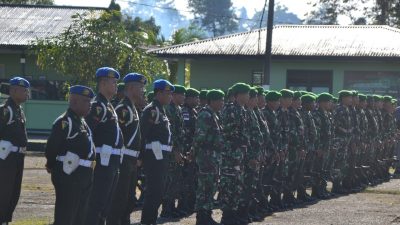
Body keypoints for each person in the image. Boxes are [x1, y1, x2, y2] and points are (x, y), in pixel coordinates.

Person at [45, 85, 96, 225]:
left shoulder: (81, 122)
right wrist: (51, 164)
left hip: (84, 175)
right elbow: (51, 147)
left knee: (80, 216)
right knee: (66, 217)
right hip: (69, 175)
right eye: (86, 101)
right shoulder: (64, 122)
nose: (90, 105)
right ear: (74, 101)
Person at [84, 67, 124, 225]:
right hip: (102, 160)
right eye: (113, 82)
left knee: (106, 204)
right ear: (103, 83)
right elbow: (88, 133)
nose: (116, 85)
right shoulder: (97, 106)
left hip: (112, 160)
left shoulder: (108, 105)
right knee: (97, 202)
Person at [108, 73, 146, 225]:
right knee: (119, 199)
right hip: (123, 160)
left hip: (131, 161)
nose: (143, 90)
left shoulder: (133, 108)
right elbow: (117, 138)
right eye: (140, 87)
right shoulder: (123, 108)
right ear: (130, 88)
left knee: (129, 199)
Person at [140, 79, 175, 225]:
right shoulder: (151, 110)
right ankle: (147, 221)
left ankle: (150, 220)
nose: (170, 97)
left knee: (158, 192)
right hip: (153, 157)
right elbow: (142, 135)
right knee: (154, 192)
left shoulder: (161, 110)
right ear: (159, 93)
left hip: (162, 157)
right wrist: (141, 157)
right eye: (168, 93)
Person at [220, 83, 251, 225]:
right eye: (246, 94)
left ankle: (234, 213)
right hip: (230, 154)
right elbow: (226, 131)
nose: (248, 97)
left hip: (239, 154)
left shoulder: (242, 109)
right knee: (229, 185)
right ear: (239, 95)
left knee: (238, 185)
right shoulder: (230, 108)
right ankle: (227, 215)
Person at [0, 77, 30, 225]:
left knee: (14, 193)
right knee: (4, 192)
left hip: (18, 157)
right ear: (13, 90)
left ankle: (5, 220)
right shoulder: (6, 110)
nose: (27, 93)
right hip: (6, 158)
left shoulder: (18, 110)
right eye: (24, 90)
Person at [193, 89, 225, 225]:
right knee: (204, 188)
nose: (222, 103)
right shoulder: (205, 115)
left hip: (213, 158)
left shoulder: (214, 115)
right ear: (212, 101)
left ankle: (207, 214)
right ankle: (201, 217)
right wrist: (193, 153)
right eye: (220, 100)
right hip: (206, 157)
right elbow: (199, 137)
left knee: (211, 187)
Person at [162, 85, 186, 218]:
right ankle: (166, 209)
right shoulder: (169, 109)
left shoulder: (178, 109)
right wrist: (176, 150)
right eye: (180, 95)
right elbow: (171, 133)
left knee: (176, 180)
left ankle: (172, 207)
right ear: (174, 96)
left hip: (178, 150)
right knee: (169, 181)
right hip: (171, 152)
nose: (183, 97)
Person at [180, 87, 200, 215]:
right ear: (188, 98)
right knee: (186, 180)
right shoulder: (185, 112)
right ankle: (184, 206)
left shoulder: (194, 111)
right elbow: (186, 132)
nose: (197, 100)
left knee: (193, 180)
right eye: (195, 98)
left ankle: (190, 204)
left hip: (194, 151)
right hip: (187, 151)